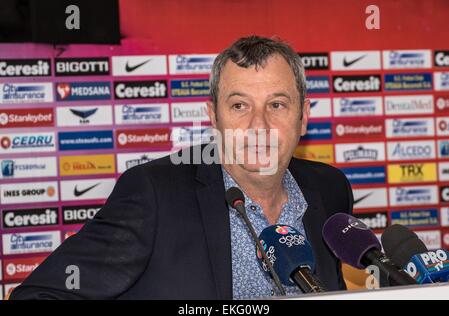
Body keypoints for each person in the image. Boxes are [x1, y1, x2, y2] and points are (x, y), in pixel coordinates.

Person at [10, 35, 353, 300]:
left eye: (276, 104)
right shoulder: (155, 194)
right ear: (213, 116)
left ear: (304, 116)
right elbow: (40, 294)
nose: (258, 125)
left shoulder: (329, 189)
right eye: (239, 106)